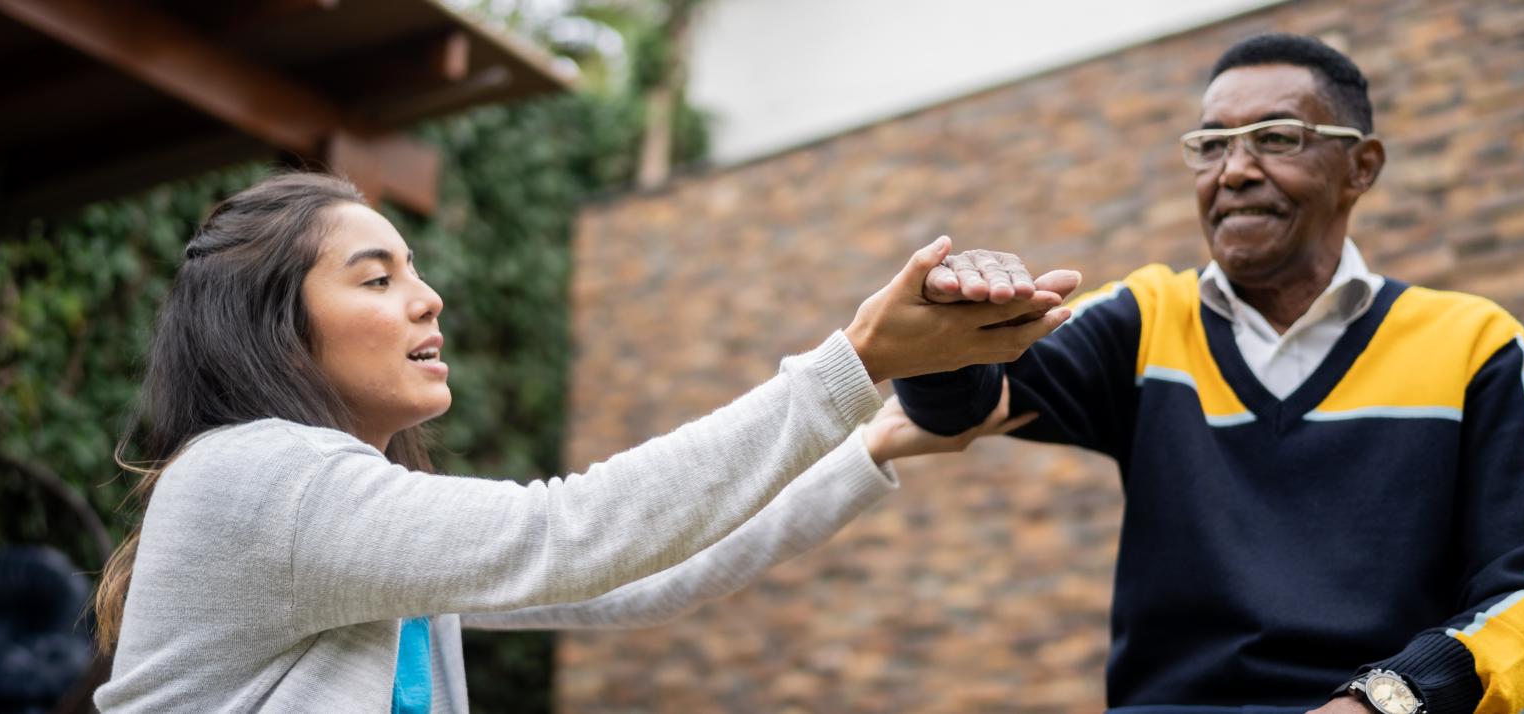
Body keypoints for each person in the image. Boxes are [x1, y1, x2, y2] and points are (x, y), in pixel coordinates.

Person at [88, 172, 1078, 713]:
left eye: (415, 270)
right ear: (273, 325)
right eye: (376, 278)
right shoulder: (254, 477)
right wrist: (850, 362)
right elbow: (571, 530)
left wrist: (874, 445)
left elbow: (626, 580)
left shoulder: (345, 522)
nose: (429, 298)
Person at [897, 34, 1524, 714]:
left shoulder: (1473, 344)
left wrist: (1387, 700)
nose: (1233, 170)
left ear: (1362, 167)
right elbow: (957, 405)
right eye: (1211, 145)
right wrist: (942, 331)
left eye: (1276, 138)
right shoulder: (1147, 321)